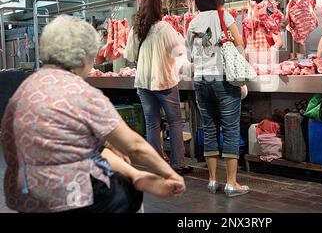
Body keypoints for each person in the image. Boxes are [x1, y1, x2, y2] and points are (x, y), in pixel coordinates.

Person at [0, 15, 185, 213]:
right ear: (85, 57)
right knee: (127, 191)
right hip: (67, 195)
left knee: (99, 149)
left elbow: (90, 147)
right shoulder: (80, 92)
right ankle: (135, 179)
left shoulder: (25, 89)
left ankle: (136, 176)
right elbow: (135, 146)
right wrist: (170, 174)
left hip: (21, 193)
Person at [186, 0, 250, 197]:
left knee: (210, 128)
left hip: (201, 80)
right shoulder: (225, 16)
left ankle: (212, 181)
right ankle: (232, 183)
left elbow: (189, 55)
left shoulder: (193, 22)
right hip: (223, 79)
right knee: (230, 129)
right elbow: (240, 44)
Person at [124, 0, 193, 175]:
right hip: (164, 82)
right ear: (158, 8)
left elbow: (130, 56)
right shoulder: (164, 28)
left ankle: (156, 163)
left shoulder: (135, 30)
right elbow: (178, 52)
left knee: (152, 123)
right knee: (175, 122)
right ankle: (178, 163)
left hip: (143, 83)